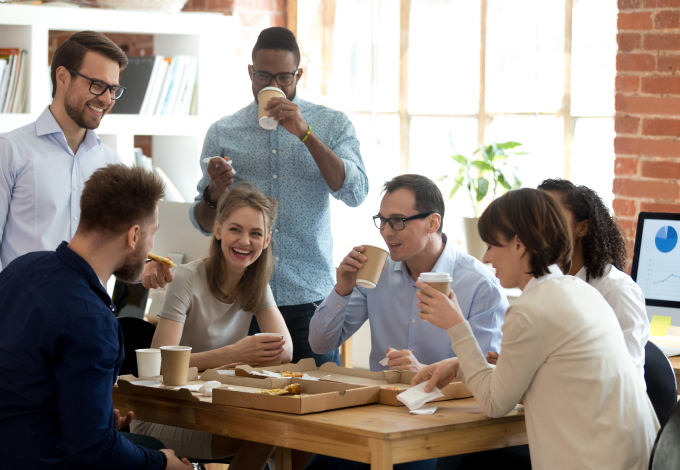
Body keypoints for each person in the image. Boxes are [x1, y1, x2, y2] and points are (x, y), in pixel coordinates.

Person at [413, 188, 659, 470]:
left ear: (519, 245)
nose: (487, 257)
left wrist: (456, 326)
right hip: (637, 456)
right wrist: (461, 366)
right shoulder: (577, 289)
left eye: (492, 245)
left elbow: (495, 403)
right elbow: (546, 377)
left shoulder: (530, 308)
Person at [190, 27, 368, 367]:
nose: (273, 84)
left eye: (284, 77)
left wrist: (306, 135)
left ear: (298, 74)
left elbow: (356, 192)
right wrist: (215, 190)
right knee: (239, 409)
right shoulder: (223, 132)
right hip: (241, 301)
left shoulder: (331, 124)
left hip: (310, 298)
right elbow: (203, 222)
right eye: (263, 75)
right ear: (250, 73)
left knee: (317, 407)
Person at [304, 175, 507, 470]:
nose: (386, 232)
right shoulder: (377, 272)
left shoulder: (479, 284)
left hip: (449, 420)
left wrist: (423, 372)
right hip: (381, 414)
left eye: (397, 221)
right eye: (382, 221)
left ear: (433, 223)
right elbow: (320, 342)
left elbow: (489, 380)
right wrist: (342, 288)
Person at [0, 164, 191, 470]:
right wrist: (162, 464)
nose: (151, 248)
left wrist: (93, 420)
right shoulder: (92, 320)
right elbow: (95, 451)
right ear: (134, 235)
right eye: (153, 234)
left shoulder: (23, 268)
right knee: (159, 452)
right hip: (41, 459)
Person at [131, 184, 292, 469]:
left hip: (214, 410)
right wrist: (234, 354)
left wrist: (240, 354)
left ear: (266, 240)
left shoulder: (256, 284)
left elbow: (285, 351)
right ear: (218, 230)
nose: (245, 240)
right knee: (267, 431)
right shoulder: (186, 277)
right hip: (166, 415)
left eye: (255, 233)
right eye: (235, 229)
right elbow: (160, 364)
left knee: (286, 430)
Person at [0, 31, 170, 288]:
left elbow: (114, 253)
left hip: (87, 316)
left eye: (113, 89)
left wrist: (141, 272)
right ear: (62, 77)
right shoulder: (10, 151)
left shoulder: (112, 164)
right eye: (97, 85)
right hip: (23, 315)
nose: (106, 99)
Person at [537, 178, 649, 382]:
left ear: (582, 227)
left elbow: (623, 375)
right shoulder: (545, 287)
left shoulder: (616, 290)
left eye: (551, 217)